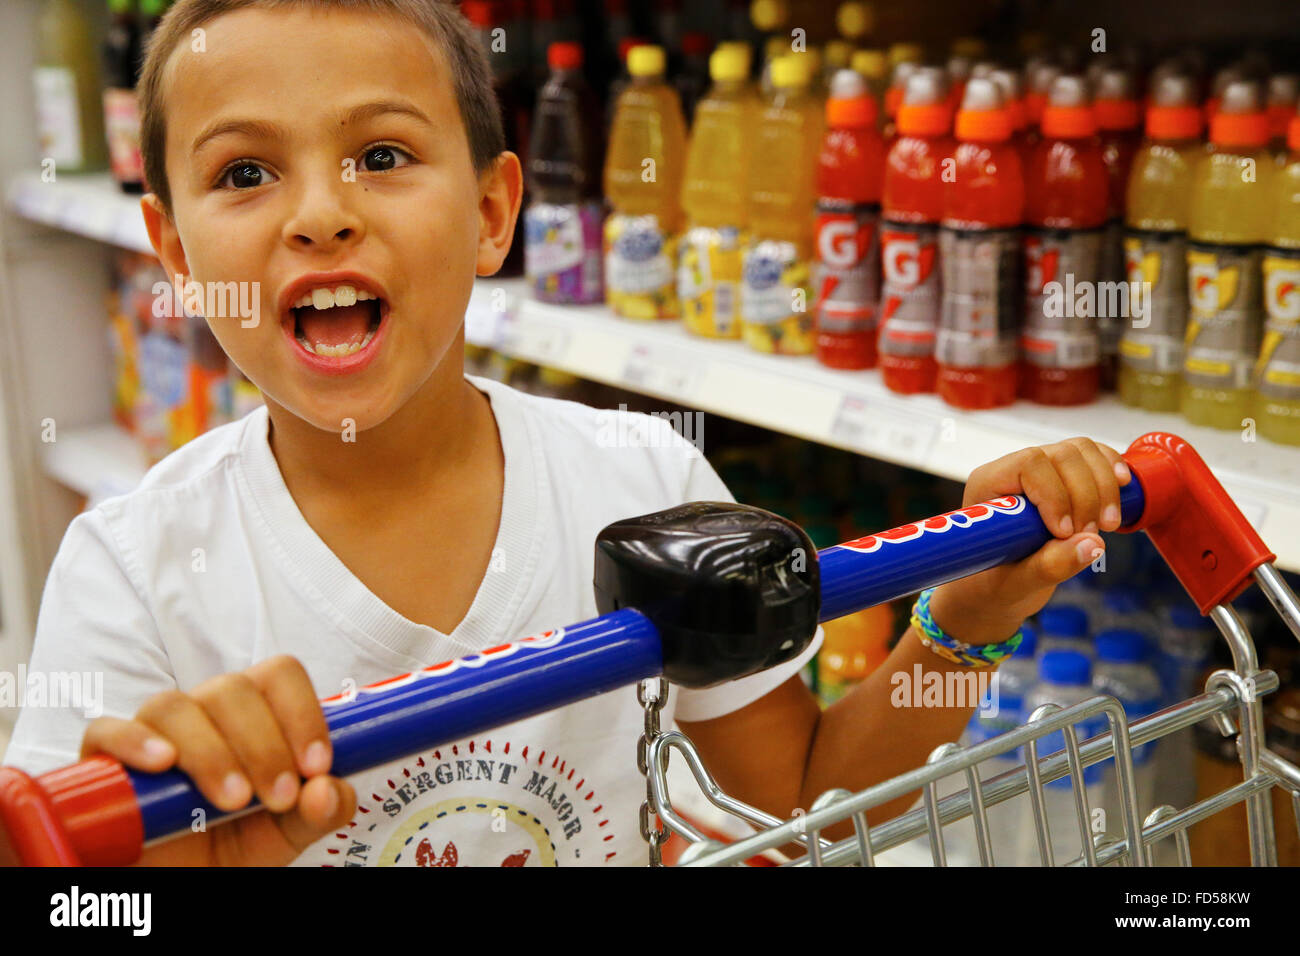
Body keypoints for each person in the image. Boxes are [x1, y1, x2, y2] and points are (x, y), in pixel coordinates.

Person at [3, 0, 1130, 867]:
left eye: (382, 156)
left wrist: (966, 621)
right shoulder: (133, 572)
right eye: (245, 172)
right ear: (178, 255)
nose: (320, 212)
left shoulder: (642, 482)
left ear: (494, 213)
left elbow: (797, 801)